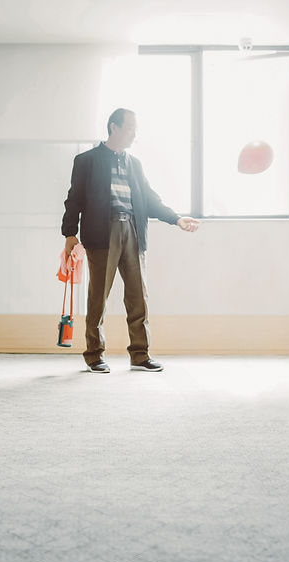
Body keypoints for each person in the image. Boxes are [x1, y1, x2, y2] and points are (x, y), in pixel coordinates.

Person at [61, 108, 199, 373]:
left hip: (133, 232)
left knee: (138, 297)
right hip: (102, 233)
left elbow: (149, 199)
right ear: (114, 127)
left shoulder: (134, 163)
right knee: (98, 297)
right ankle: (94, 355)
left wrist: (176, 219)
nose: (134, 134)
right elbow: (74, 198)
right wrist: (70, 233)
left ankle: (140, 354)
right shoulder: (87, 160)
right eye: (130, 128)